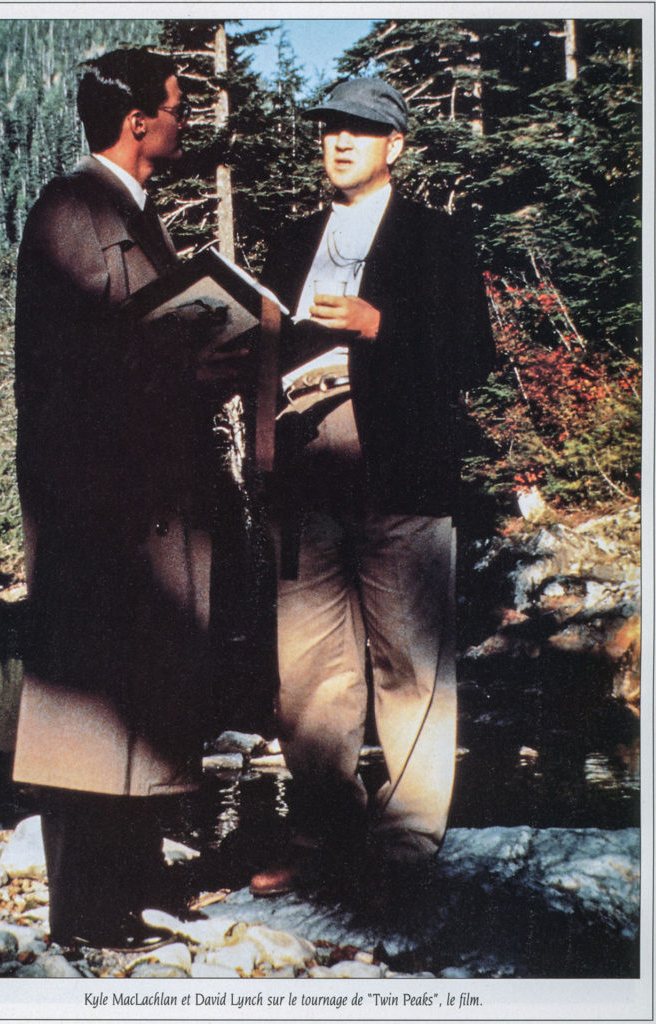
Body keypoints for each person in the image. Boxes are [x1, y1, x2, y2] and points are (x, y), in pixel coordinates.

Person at [12, 47, 240, 947]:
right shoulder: (76, 210)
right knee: (89, 702)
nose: (185, 122)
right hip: (97, 506)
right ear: (138, 121)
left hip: (139, 497)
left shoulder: (128, 214)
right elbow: (75, 372)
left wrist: (198, 371)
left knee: (137, 692)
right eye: (178, 108)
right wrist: (193, 371)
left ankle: (126, 889)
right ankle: (85, 912)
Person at [250, 78, 495, 896]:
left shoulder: (434, 237)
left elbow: (471, 354)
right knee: (308, 671)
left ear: (396, 145)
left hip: (401, 464)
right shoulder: (290, 239)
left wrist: (376, 325)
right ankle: (321, 833)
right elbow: (261, 352)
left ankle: (404, 847)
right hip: (305, 466)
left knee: (411, 665)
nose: (340, 141)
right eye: (330, 129)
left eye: (360, 130)